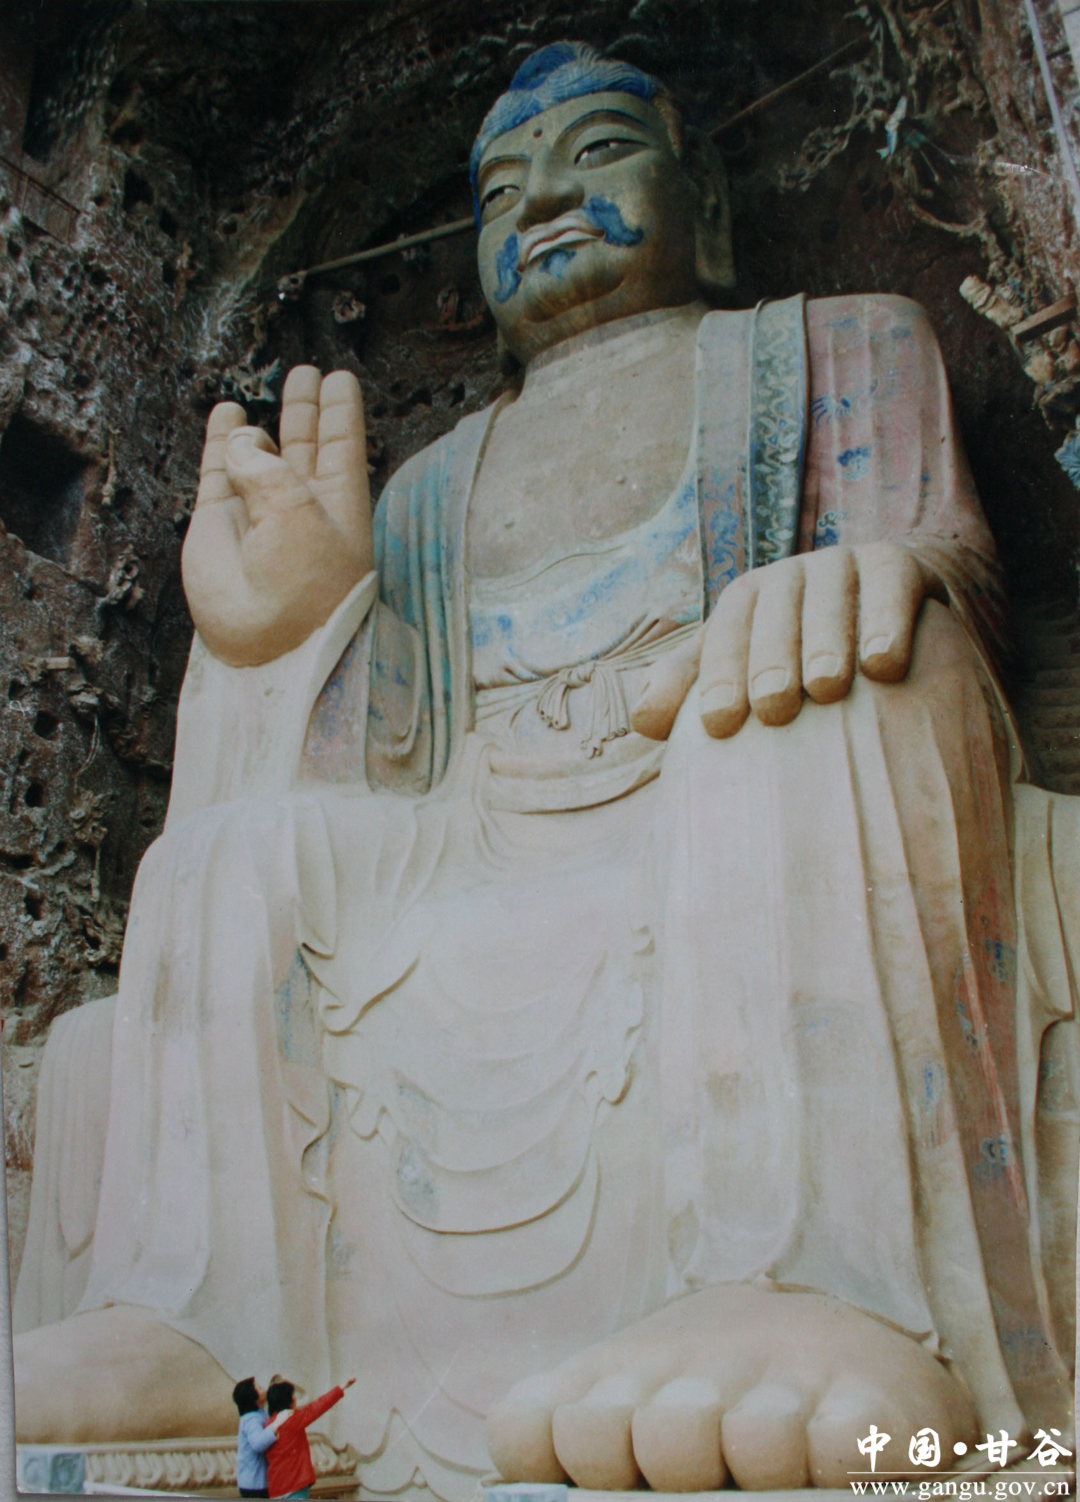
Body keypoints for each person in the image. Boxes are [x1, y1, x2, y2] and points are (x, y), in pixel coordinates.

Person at [11, 39, 1078, 1499]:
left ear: (707, 205)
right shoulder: (428, 485)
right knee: (227, 855)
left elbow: (956, 586)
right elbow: (387, 770)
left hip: (726, 793)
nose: (546, 200)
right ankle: (200, 1329)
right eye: (502, 188)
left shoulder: (844, 347)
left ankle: (803, 1286)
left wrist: (865, 582)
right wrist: (299, 631)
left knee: (815, 691)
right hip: (477, 838)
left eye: (598, 152)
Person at [264, 1377, 355, 1501]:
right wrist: (341, 1388)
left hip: (275, 1489)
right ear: (287, 1400)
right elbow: (319, 1406)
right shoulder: (293, 1419)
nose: (295, 1398)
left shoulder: (268, 1424)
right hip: (295, 1485)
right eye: (292, 1395)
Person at [232, 1377, 277, 1499]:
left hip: (255, 1482)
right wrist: (274, 1428)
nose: (264, 1389)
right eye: (260, 1388)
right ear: (254, 1399)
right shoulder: (252, 1419)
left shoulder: (258, 1414)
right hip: (255, 1483)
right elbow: (258, 1443)